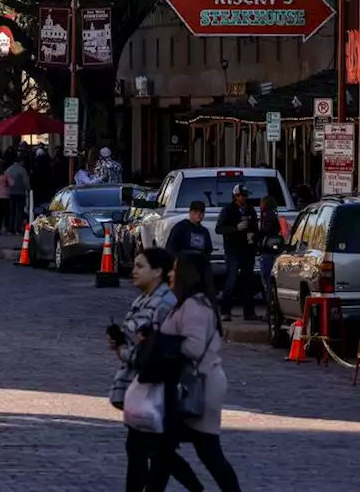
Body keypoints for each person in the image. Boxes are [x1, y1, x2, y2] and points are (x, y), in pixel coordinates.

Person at [146, 251, 241, 492]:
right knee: (165, 450)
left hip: (197, 387)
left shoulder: (195, 306)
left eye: (175, 268)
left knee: (202, 451)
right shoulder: (188, 303)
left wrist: (161, 342)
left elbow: (193, 347)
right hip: (188, 385)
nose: (170, 273)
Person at [110, 248, 201, 492]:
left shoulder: (164, 304)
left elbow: (155, 352)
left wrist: (124, 349)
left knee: (156, 452)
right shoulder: (143, 299)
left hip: (158, 389)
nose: (134, 270)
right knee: (149, 451)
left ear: (158, 271)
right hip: (141, 386)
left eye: (140, 266)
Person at [214, 184, 259, 322]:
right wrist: (235, 228)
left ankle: (249, 312)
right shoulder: (227, 210)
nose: (244, 198)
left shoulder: (250, 210)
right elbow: (219, 228)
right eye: (241, 196)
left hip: (247, 249)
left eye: (245, 195)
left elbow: (255, 228)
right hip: (233, 249)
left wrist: (254, 237)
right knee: (231, 280)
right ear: (235, 196)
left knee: (248, 281)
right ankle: (225, 311)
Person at [255, 196, 284, 301]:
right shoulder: (275, 215)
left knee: (267, 281)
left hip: (266, 251)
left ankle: (270, 307)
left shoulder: (265, 215)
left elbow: (263, 232)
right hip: (275, 251)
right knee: (274, 281)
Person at [4, 156, 30, 233]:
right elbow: (26, 182)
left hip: (10, 193)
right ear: (21, 161)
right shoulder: (22, 170)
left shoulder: (8, 170)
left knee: (11, 211)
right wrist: (29, 189)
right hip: (20, 192)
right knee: (19, 211)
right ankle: (18, 227)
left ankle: (10, 228)